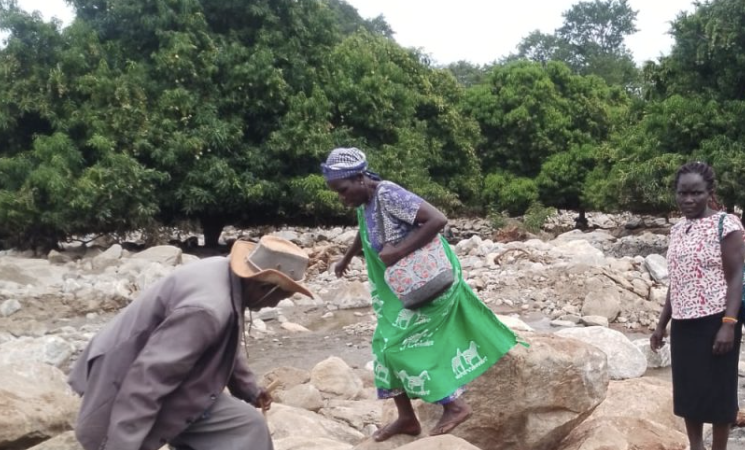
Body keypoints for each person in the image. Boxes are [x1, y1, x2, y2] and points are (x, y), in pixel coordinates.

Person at [322, 147, 519, 441]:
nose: (341, 196)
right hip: (400, 286)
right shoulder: (367, 201)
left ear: (360, 178)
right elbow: (366, 229)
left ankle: (454, 405)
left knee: (401, 346)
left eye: (343, 189)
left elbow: (437, 219)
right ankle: (407, 418)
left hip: (426, 282)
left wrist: (399, 250)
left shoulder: (388, 193)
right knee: (382, 346)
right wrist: (348, 257)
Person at [68, 236, 315, 450]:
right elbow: (147, 381)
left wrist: (249, 389)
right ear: (263, 287)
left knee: (247, 424)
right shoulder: (207, 310)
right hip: (121, 377)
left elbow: (226, 341)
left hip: (157, 370)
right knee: (244, 429)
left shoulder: (227, 275)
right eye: (281, 297)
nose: (276, 305)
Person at [651, 161, 745, 450]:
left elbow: (736, 277)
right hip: (683, 321)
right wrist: (661, 324)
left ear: (710, 192)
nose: (688, 200)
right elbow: (677, 280)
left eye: (696, 193)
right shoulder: (678, 229)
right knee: (688, 392)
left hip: (717, 319)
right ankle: (696, 446)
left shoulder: (726, 224)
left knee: (719, 392)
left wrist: (728, 325)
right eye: (683, 193)